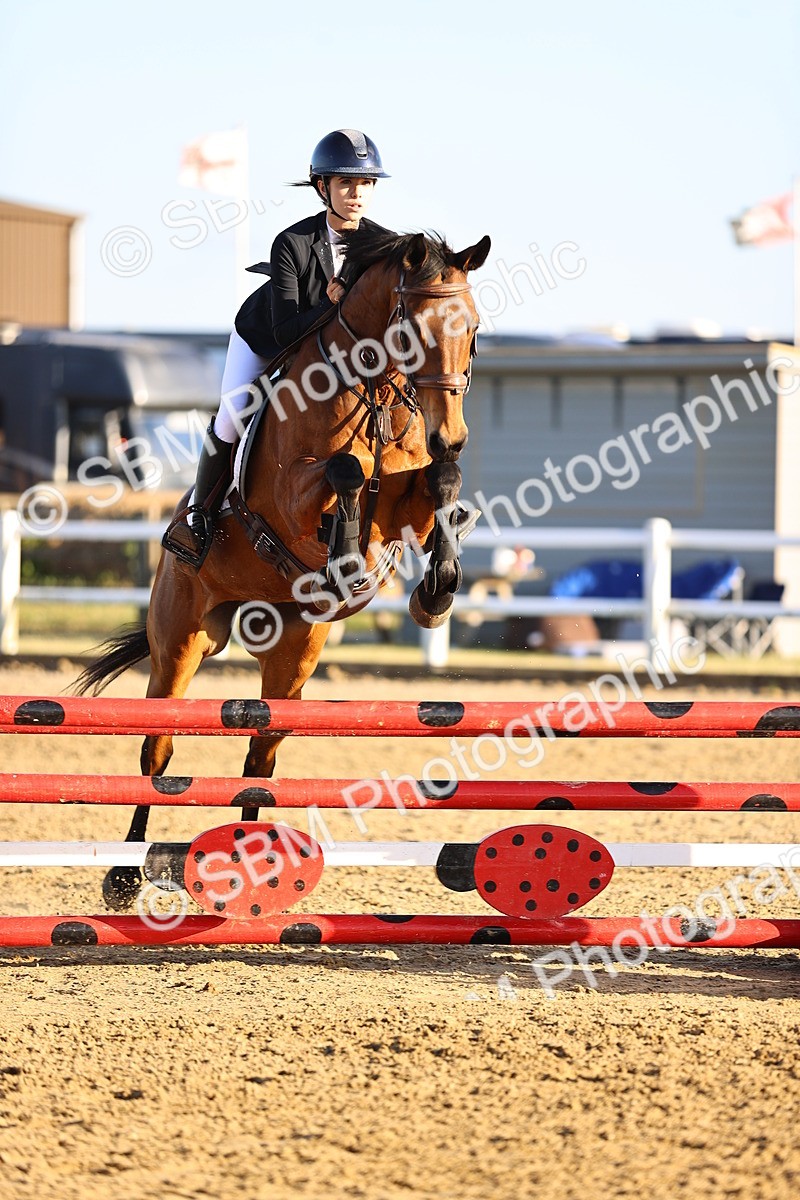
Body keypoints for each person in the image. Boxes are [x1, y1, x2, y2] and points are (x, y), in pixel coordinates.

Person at [164, 129, 391, 567]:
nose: (356, 193)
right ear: (322, 187)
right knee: (232, 415)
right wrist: (329, 304)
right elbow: (287, 331)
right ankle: (199, 516)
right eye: (346, 183)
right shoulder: (293, 242)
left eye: (365, 184)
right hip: (268, 339)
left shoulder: (382, 245)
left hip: (336, 357)